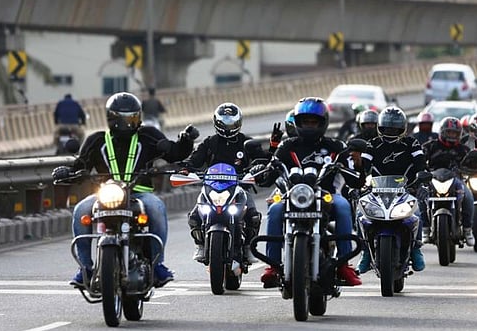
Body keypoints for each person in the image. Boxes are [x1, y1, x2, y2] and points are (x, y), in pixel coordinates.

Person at [54, 92, 197, 289]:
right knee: (80, 210)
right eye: (126, 118)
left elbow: (173, 153)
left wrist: (186, 141)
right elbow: (82, 165)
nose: (131, 122)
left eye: (134, 117)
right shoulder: (97, 140)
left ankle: (157, 265)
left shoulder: (149, 136)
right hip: (106, 194)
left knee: (156, 208)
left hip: (139, 194)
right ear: (113, 118)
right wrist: (68, 172)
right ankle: (85, 267)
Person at [253, 97, 363, 287]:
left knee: (344, 206)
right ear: (298, 123)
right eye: (305, 122)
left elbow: (356, 180)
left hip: (326, 195)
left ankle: (344, 264)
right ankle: (272, 265)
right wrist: (261, 171)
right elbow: (269, 175)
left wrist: (357, 163)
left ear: (323, 123)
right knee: (275, 210)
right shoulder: (287, 146)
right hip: (293, 195)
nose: (309, 126)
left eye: (314, 122)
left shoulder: (336, 147)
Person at [181, 103, 271, 265]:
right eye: (225, 123)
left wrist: (260, 165)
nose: (229, 127)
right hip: (212, 187)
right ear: (217, 122)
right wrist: (186, 169)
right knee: (195, 216)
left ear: (238, 123)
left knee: (253, 215)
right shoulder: (209, 142)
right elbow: (194, 160)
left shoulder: (246, 142)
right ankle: (200, 245)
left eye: (232, 123)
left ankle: (248, 248)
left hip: (239, 188)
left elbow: (263, 159)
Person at [355, 106, 427, 273]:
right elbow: (364, 167)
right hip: (376, 191)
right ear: (380, 127)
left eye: (395, 128)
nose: (391, 131)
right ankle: (366, 252)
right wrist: (359, 183)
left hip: (405, 190)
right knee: (360, 214)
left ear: (402, 128)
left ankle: (416, 248)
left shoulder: (412, 143)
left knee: (416, 213)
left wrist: (421, 181)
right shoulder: (372, 144)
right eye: (387, 127)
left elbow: (420, 163)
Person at [422, 116, 474, 246]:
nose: (452, 135)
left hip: (456, 180)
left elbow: (473, 164)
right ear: (443, 132)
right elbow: (419, 161)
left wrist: (475, 160)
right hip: (433, 179)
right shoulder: (430, 146)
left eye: (455, 133)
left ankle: (467, 229)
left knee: (468, 197)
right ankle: (425, 229)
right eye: (449, 132)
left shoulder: (464, 150)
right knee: (421, 197)